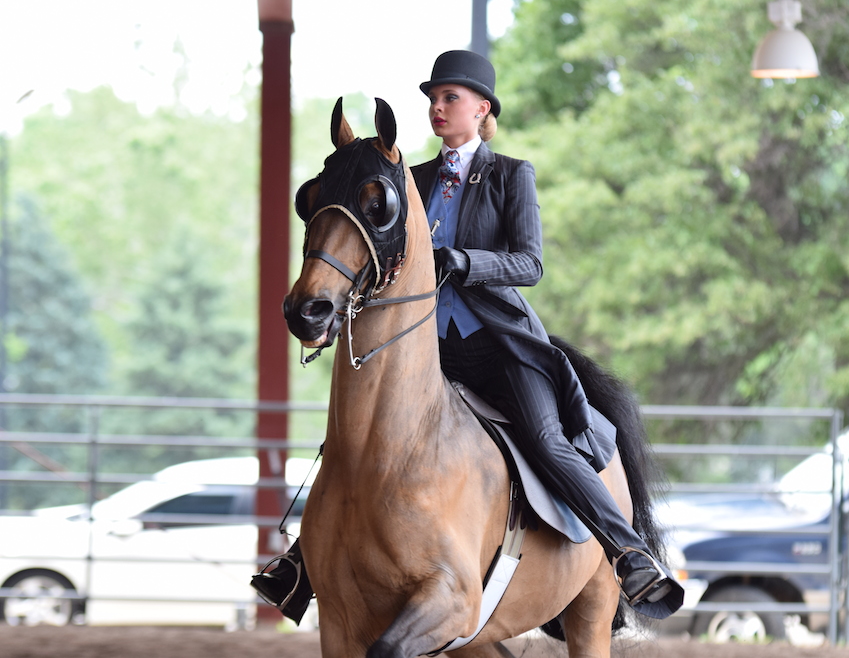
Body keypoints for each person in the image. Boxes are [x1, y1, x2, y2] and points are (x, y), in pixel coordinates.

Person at [252, 50, 683, 623]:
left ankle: (628, 553)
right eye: (433, 97)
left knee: (547, 439)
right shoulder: (412, 180)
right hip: (429, 350)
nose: (437, 106)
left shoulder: (510, 175)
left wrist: (463, 260)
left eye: (450, 97)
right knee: (357, 440)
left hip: (499, 345)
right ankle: (304, 564)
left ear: (482, 109)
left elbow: (529, 264)